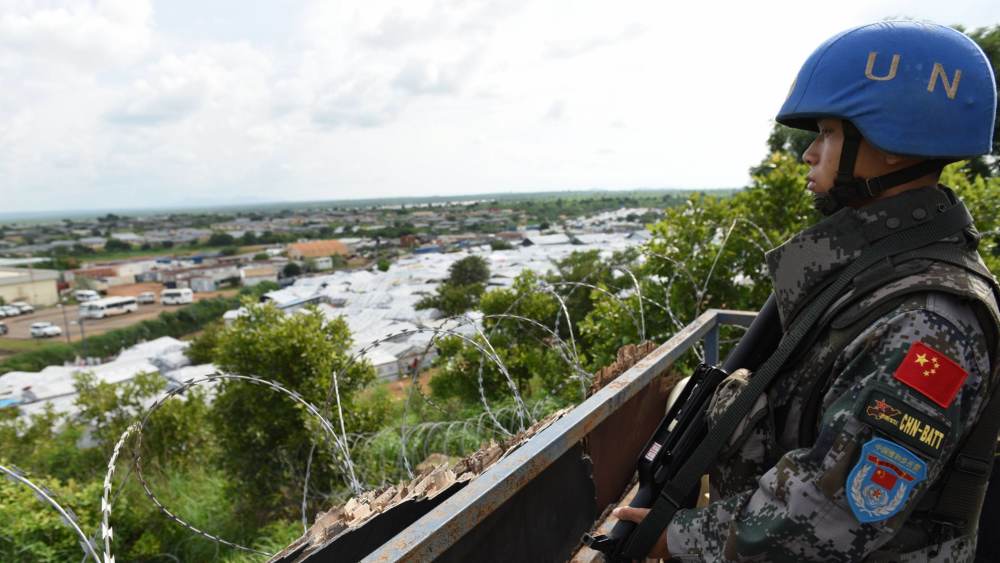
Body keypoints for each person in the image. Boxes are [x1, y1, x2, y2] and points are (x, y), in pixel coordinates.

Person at [614, 21, 999, 561]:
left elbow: (833, 517)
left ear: (893, 142)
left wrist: (676, 538)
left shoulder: (927, 319)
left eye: (827, 133)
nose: (809, 153)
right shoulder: (875, 270)